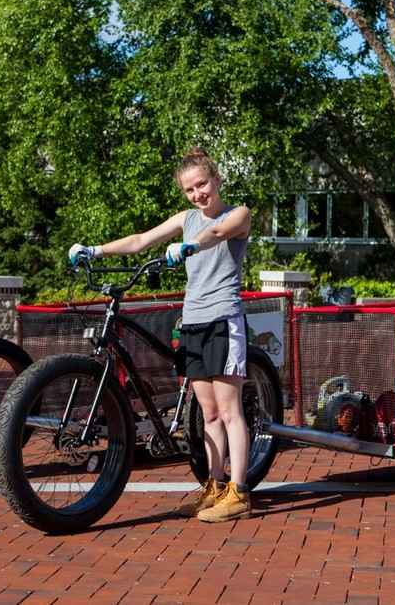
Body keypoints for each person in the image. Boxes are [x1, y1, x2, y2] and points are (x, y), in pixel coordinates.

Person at [69, 147, 253, 522]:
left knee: (231, 411)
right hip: (194, 320)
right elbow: (140, 240)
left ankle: (239, 492)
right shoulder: (186, 218)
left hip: (223, 319)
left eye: (202, 184)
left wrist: (190, 245)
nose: (198, 194)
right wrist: (94, 249)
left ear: (216, 180)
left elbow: (217, 232)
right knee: (209, 413)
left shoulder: (239, 214)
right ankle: (214, 487)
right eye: (189, 189)